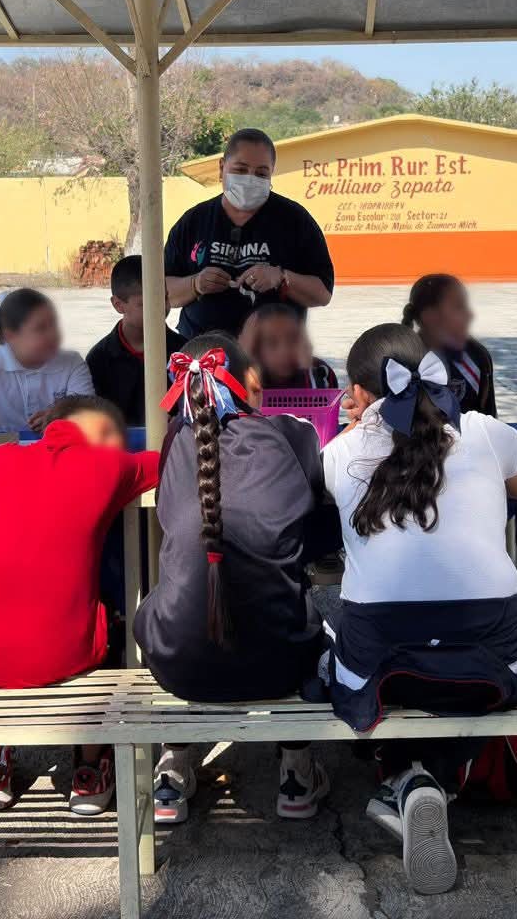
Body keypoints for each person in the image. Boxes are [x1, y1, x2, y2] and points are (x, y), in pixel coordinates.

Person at [319, 323, 517, 896]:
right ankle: (432, 777)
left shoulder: (340, 452)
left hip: (385, 666)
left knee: (333, 628)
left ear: (359, 394)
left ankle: (409, 776)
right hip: (491, 651)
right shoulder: (483, 432)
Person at [133, 334, 340, 824]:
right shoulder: (294, 435)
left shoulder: (174, 445)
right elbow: (312, 520)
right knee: (301, 602)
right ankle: (295, 771)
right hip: (280, 664)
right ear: (251, 382)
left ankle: (173, 762)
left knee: (166, 598)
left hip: (179, 668)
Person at [0, 395, 159, 816]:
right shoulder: (109, 467)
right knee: (110, 617)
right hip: (63, 655)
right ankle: (90, 772)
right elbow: (164, 462)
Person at [164, 128, 335, 339]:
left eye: (261, 173)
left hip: (275, 358)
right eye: (241, 169)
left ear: (272, 173)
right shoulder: (193, 221)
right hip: (202, 355)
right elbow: (160, 292)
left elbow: (323, 294)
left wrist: (281, 278)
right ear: (221, 167)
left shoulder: (295, 220)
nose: (250, 179)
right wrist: (195, 284)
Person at [0, 289, 93, 439]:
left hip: (57, 454)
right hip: (0, 455)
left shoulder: (72, 363)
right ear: (12, 336)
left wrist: (59, 416)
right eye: (41, 328)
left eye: (53, 325)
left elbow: (90, 413)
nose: (53, 334)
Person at [85, 254, 186, 426]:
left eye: (165, 297)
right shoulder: (99, 359)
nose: (162, 307)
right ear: (118, 305)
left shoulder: (184, 352)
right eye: (146, 303)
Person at [402, 273, 497, 417]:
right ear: (430, 316)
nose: (470, 314)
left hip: (467, 439)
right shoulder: (403, 358)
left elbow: (487, 415)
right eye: (459, 307)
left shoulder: (477, 356)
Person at [240, 301, 340, 390]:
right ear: (256, 349)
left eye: (292, 340)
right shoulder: (246, 376)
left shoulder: (321, 371)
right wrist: (247, 361)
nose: (284, 351)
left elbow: (318, 405)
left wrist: (306, 368)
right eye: (272, 343)